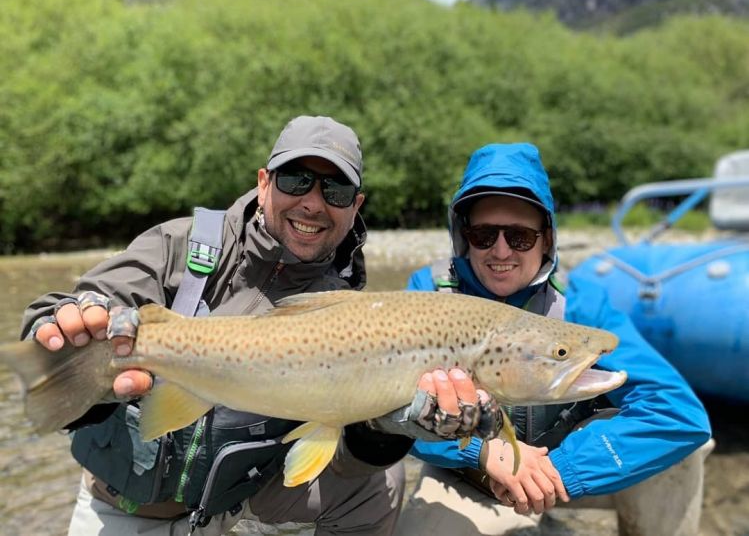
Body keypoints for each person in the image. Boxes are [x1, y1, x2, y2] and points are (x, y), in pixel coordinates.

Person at [21, 115, 441, 536]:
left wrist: (389, 428)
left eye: (336, 190)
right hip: (123, 506)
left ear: (356, 206)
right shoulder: (181, 244)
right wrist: (65, 324)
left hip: (238, 505)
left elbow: (342, 452)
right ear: (263, 183)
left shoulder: (351, 308)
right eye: (295, 180)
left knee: (380, 483)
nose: (313, 202)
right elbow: (98, 297)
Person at [394, 143, 714, 536]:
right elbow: (392, 410)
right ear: (463, 235)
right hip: (470, 474)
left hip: (564, 465)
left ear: (546, 239)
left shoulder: (581, 304)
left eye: (520, 237)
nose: (501, 250)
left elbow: (677, 411)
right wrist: (485, 453)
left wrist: (561, 470)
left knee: (688, 451)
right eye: (483, 234)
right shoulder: (427, 293)